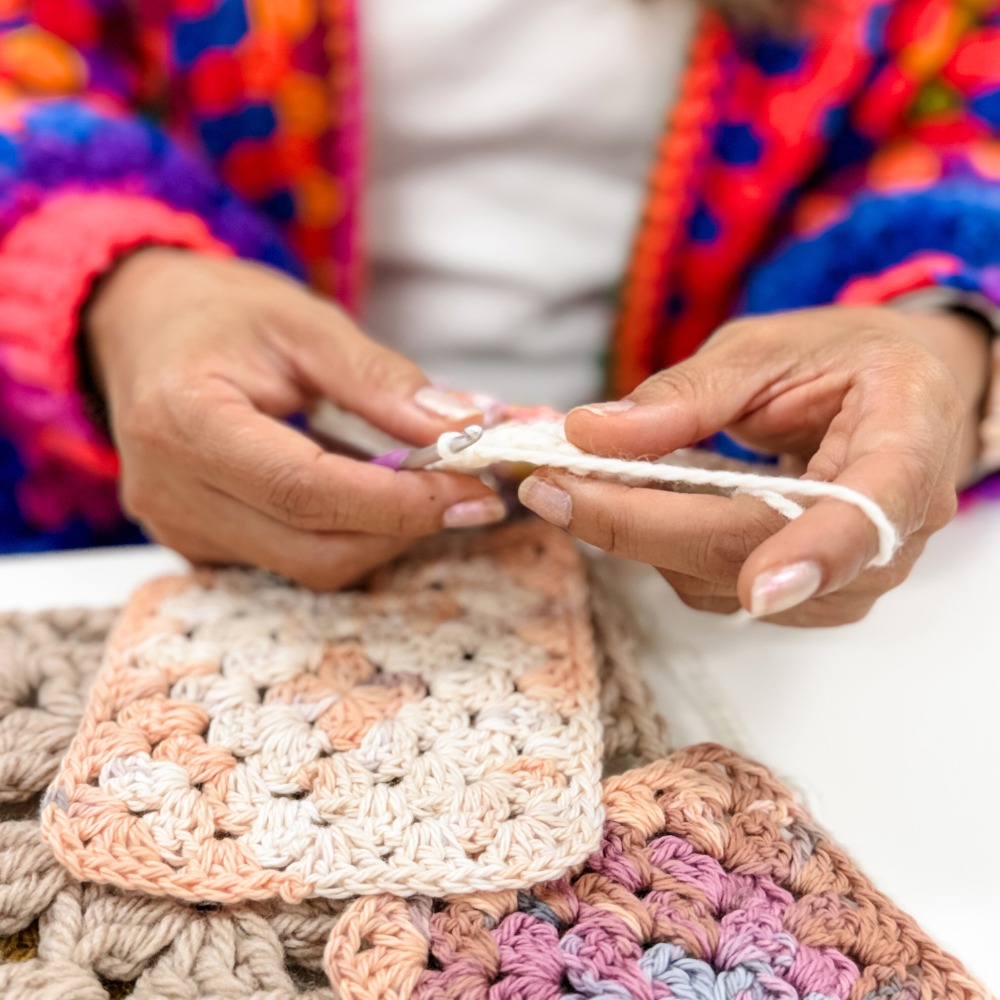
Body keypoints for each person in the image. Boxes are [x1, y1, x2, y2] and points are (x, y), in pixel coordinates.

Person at [0, 0, 998, 626]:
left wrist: (944, 335)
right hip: (128, 548)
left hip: (710, 599)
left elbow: (970, 110)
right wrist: (122, 290)